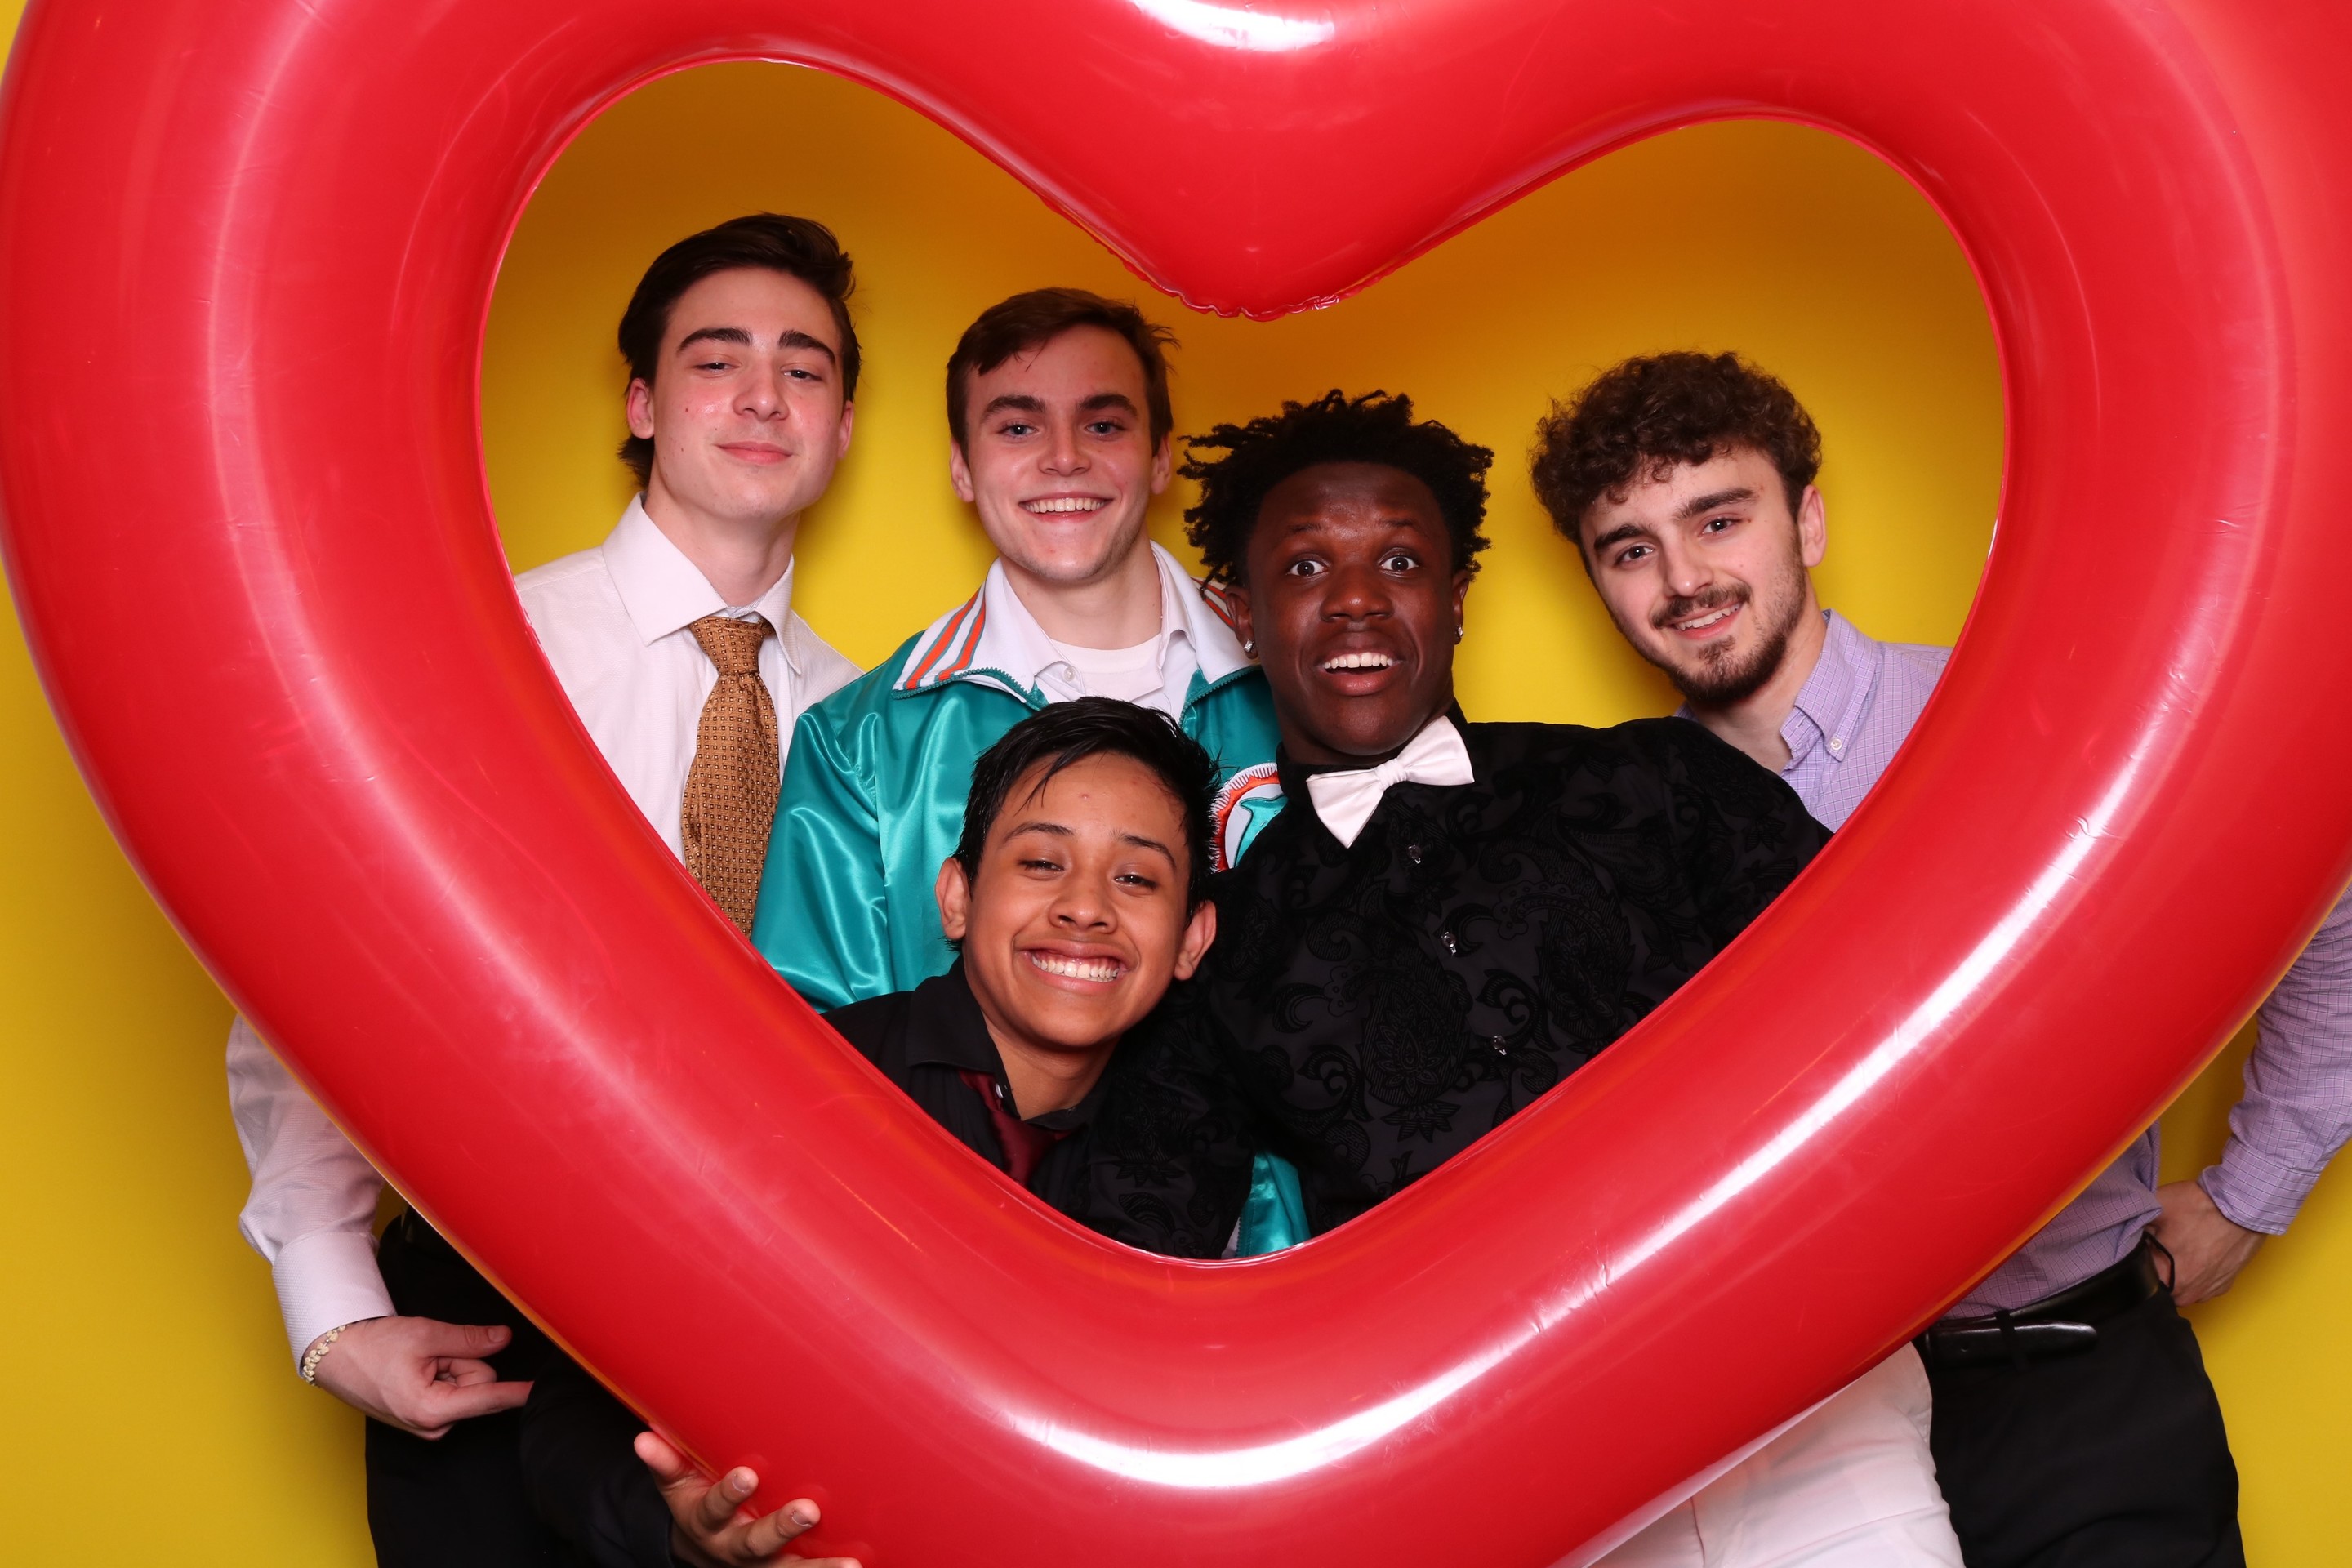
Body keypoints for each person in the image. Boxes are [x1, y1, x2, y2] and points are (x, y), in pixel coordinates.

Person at [1084, 389, 1963, 1565]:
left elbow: (1899, 1015)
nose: (1357, 598)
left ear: (1458, 597)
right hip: (1511, 1492)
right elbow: (1125, 1267)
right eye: (1305, 567)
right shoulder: (1222, 946)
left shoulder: (1659, 781)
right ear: (1239, 612)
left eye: (1401, 560)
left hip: (1814, 1419)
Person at [1534, 350, 2352, 1568]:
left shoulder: (2026, 718)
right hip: (1792, 1451)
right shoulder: (1602, 830)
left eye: (1719, 518)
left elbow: (2316, 887)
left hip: (2078, 1394)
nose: (1686, 578)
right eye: (1631, 548)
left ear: (1808, 520)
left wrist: (2249, 1196)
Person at [225, 213, 866, 1566]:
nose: (764, 395)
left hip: (777, 1323)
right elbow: (322, 961)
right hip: (490, 1314)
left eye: (804, 367)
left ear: (845, 425)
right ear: (641, 403)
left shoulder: (874, 727)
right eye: (717, 359)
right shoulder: (476, 643)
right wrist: (332, 1306)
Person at [518, 699, 1223, 1568]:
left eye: (1137, 879)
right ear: (956, 897)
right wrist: (683, 1538)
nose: (1085, 908)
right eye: (1042, 862)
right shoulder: (788, 1088)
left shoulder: (1195, 1157)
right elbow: (571, 1406)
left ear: (1192, 938)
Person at [750, 287, 1281, 1013]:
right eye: (1019, 428)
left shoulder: (1300, 670)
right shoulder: (860, 743)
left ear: (1160, 456)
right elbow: (816, 1036)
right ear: (962, 469)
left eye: (1102, 424)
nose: (1064, 458)